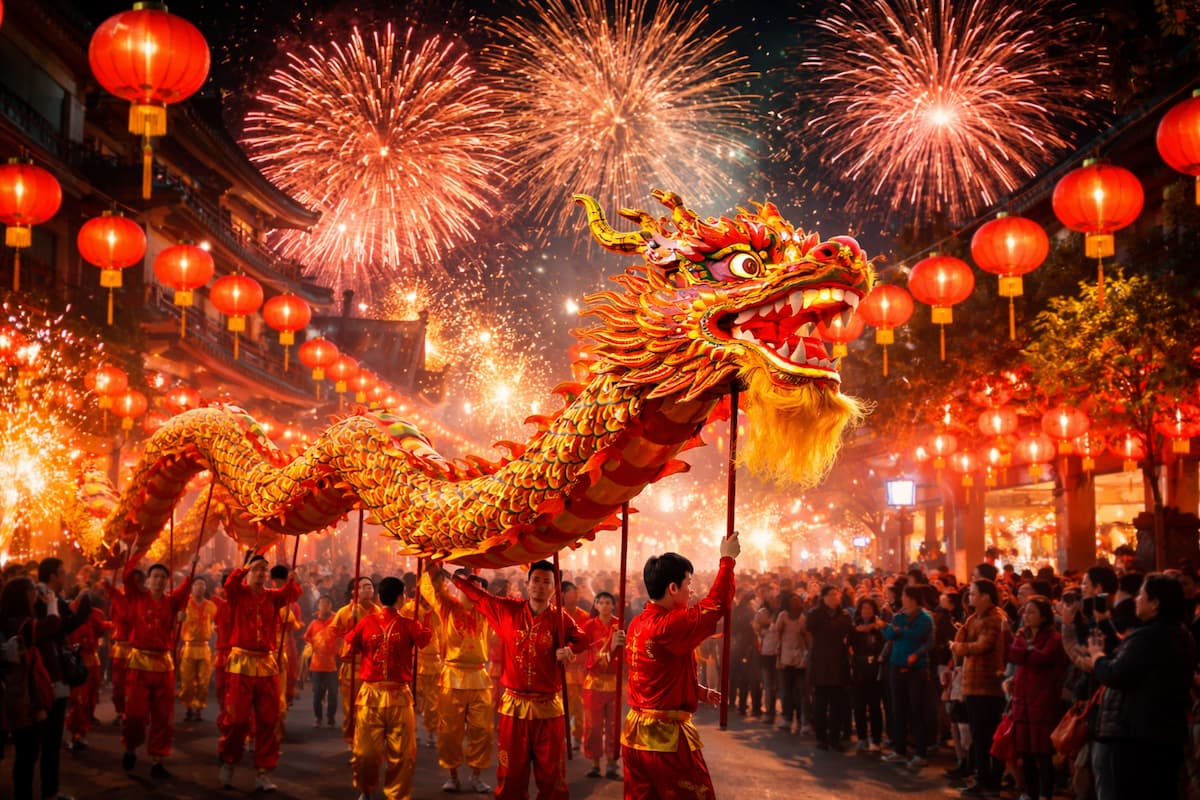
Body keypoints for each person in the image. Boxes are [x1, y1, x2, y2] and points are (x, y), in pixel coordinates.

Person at [452, 560, 590, 800]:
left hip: (548, 709)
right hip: (514, 708)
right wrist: (456, 578)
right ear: (527, 584)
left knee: (552, 778)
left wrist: (569, 649)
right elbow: (480, 597)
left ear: (554, 588)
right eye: (536, 580)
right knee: (510, 775)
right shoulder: (508, 610)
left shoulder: (561, 619)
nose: (540, 586)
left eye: (547, 582)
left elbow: (582, 639)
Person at [621, 532, 740, 799]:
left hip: (634, 736)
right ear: (673, 588)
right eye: (689, 582)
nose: (692, 590)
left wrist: (696, 690)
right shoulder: (668, 625)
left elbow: (655, 677)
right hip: (664, 741)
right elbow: (716, 605)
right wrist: (727, 559)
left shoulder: (637, 623)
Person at [1086, 573, 1197, 800]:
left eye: (1141, 595)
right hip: (1169, 733)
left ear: (1155, 603)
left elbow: (1116, 674)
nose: (1136, 599)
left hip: (1139, 737)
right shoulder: (1180, 633)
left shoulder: (1148, 637)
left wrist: (1097, 657)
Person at [217, 553, 301, 792]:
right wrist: (243, 567)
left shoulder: (273, 597)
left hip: (266, 665)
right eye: (256, 569)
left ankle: (263, 772)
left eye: (265, 570)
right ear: (248, 572)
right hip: (241, 663)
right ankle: (229, 762)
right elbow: (229, 585)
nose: (261, 573)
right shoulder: (238, 594)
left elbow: (292, 594)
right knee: (237, 720)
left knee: (268, 720)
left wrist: (293, 580)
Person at [344, 576, 432, 800]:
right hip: (374, 695)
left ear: (378, 596)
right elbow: (425, 640)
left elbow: (345, 653)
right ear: (401, 597)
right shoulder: (368, 622)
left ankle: (389, 794)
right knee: (371, 752)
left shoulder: (407, 624)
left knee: (394, 753)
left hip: (396, 695)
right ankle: (372, 790)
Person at [119, 557, 196, 779]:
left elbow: (185, 589)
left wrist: (191, 568)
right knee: (134, 713)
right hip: (139, 663)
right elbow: (127, 578)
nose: (159, 581)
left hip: (163, 664)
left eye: (163, 577)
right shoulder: (137, 597)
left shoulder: (171, 602)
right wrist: (132, 556)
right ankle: (130, 747)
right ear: (148, 580)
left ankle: (157, 758)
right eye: (155, 576)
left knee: (163, 716)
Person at [421, 567, 494, 794]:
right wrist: (434, 563)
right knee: (450, 732)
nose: (471, 589)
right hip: (452, 676)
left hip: (479, 677)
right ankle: (452, 775)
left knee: (482, 730)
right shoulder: (447, 607)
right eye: (465, 584)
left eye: (476, 585)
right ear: (456, 586)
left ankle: (476, 774)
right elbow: (432, 586)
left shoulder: (486, 610)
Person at [35, 557, 93, 800]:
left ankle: (51, 790)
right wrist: (78, 617)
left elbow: (62, 626)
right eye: (61, 572)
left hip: (57, 669)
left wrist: (79, 615)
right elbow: (53, 629)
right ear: (52, 576)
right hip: (48, 672)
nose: (65, 575)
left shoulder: (54, 598)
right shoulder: (42, 599)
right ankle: (47, 791)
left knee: (51, 738)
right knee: (45, 738)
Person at [950, 578, 1008, 797]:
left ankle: (991, 782)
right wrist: (961, 643)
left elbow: (982, 645)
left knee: (987, 737)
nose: (970, 597)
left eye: (974, 594)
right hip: (972, 685)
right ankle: (982, 778)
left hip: (988, 686)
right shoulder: (974, 617)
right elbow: (960, 639)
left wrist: (960, 647)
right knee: (978, 736)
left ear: (986, 596)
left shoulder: (995, 618)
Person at [2, 577, 56, 800]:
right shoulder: (22, 624)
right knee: (28, 751)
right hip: (24, 693)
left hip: (18, 691)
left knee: (26, 751)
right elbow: (52, 627)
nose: (35, 594)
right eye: (31, 591)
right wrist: (52, 603)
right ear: (22, 595)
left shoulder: (8, 619)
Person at [1007, 595, 1066, 800]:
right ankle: (1030, 793)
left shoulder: (1054, 637)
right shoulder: (1022, 633)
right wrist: (1027, 649)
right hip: (1022, 701)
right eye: (1025, 611)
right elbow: (1014, 655)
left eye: (1031, 612)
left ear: (1043, 617)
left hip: (1042, 701)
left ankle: (1045, 794)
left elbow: (1042, 658)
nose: (1026, 615)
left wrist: (1027, 649)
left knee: (1043, 754)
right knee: (1026, 753)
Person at [881, 585, 934, 770]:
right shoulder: (899, 616)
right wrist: (888, 627)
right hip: (896, 665)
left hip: (916, 669)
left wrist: (898, 631)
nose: (901, 598)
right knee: (898, 710)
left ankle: (921, 753)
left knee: (916, 711)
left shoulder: (924, 618)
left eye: (903, 595)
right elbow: (888, 634)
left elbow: (919, 636)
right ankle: (899, 750)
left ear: (911, 598)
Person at [331, 577, 377, 746]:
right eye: (364, 587)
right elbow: (334, 635)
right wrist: (352, 623)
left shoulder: (377, 611)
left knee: (370, 708)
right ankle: (352, 739)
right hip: (352, 668)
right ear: (354, 591)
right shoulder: (344, 612)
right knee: (351, 708)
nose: (368, 589)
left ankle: (367, 739)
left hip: (371, 667)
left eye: (370, 586)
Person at [582, 590, 623, 779]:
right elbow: (585, 653)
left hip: (613, 682)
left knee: (613, 725)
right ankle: (595, 763)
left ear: (614, 605)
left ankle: (613, 763)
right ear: (596, 605)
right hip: (594, 682)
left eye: (609, 602)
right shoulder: (589, 626)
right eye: (602, 602)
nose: (605, 605)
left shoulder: (619, 627)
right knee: (594, 726)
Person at [807, 584, 853, 751]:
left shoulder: (844, 614)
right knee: (820, 704)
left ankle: (834, 738)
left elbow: (844, 628)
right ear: (824, 597)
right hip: (820, 664)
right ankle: (821, 737)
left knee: (837, 705)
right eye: (831, 594)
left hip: (839, 664)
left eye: (836, 594)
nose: (835, 597)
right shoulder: (815, 613)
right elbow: (813, 627)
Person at [400, 574, 443, 749]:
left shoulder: (439, 611)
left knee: (433, 700)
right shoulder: (409, 608)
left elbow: (443, 634)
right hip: (414, 660)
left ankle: (431, 731)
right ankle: (413, 729)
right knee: (412, 698)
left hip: (434, 660)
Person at [64, 598, 108, 750]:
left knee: (90, 701)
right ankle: (74, 734)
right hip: (78, 662)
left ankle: (82, 734)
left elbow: (102, 628)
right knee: (78, 701)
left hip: (93, 662)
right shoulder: (69, 613)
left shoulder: (95, 614)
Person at [177, 577, 216, 722]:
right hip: (189, 647)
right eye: (197, 585)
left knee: (203, 681)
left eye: (202, 585)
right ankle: (188, 707)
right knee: (187, 681)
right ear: (192, 587)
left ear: (205, 588)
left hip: (204, 647)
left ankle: (199, 708)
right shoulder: (184, 604)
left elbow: (216, 621)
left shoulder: (210, 605)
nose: (200, 588)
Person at [849, 597, 885, 751]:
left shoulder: (879, 628)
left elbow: (884, 645)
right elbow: (848, 645)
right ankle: (862, 737)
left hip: (875, 670)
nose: (866, 611)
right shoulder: (854, 627)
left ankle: (876, 739)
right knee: (859, 706)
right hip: (859, 670)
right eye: (864, 608)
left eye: (869, 608)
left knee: (875, 707)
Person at [303, 595, 339, 728]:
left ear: (331, 606)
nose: (324, 606)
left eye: (327, 603)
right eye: (322, 603)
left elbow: (342, 635)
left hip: (332, 664)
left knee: (333, 694)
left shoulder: (335, 621)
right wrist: (313, 645)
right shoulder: (313, 624)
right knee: (317, 693)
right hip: (316, 664)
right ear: (318, 606)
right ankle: (318, 717)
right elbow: (306, 637)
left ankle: (331, 718)